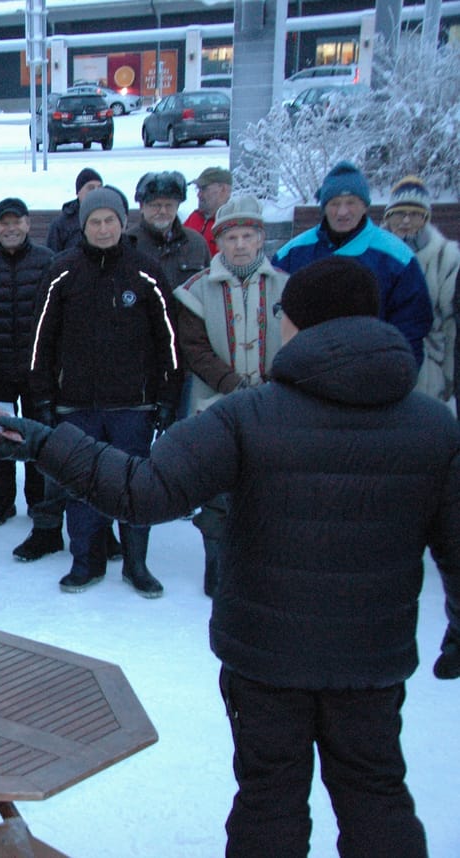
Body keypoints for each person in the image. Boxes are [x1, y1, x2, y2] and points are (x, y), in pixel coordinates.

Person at [0, 256, 460, 858]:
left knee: (269, 797)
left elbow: (142, 490)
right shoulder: (434, 426)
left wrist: (46, 442)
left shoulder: (249, 415)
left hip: (265, 655)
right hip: (372, 660)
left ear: (297, 324)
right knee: (377, 793)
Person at [27, 186, 180, 597]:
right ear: (83, 226)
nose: (103, 227)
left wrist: (168, 397)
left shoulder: (145, 271)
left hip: (135, 403)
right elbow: (41, 340)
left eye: (110, 220)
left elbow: (169, 340)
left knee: (135, 486)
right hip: (75, 404)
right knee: (81, 485)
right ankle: (86, 562)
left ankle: (136, 564)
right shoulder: (62, 271)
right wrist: (42, 398)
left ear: (123, 221)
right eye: (94, 221)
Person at [173, 195, 288, 596]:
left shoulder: (287, 287)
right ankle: (217, 570)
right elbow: (194, 348)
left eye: (247, 236)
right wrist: (233, 384)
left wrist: (274, 381)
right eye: (231, 237)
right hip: (215, 408)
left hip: (276, 407)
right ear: (217, 243)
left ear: (260, 240)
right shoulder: (194, 291)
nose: (239, 245)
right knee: (218, 494)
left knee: (267, 491)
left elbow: (296, 344)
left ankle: (261, 570)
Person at [272, 160, 432, 366]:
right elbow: (274, 314)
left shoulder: (397, 257)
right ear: (324, 207)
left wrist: (398, 376)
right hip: (308, 372)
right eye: (335, 203)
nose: (342, 212)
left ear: (364, 205)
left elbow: (412, 325)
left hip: (372, 373)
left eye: (351, 203)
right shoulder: (292, 253)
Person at [0, 198, 57, 544]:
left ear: (28, 223)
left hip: (37, 368)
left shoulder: (47, 261)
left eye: (16, 221)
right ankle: (1, 503)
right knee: (0, 438)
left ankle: (37, 500)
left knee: (36, 437)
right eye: (3, 223)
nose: (10, 228)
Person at [381, 175, 458, 402]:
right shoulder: (374, 252)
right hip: (380, 358)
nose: (406, 221)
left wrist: (449, 376)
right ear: (388, 217)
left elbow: (451, 325)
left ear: (426, 218)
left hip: (429, 367)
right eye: (399, 213)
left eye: (414, 214)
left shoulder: (447, 257)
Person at [126, 171, 210, 290]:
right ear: (141, 207)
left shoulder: (196, 243)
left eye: (169, 205)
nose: (163, 211)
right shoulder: (127, 243)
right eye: (156, 205)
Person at [45, 168, 103, 254]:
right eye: (91, 188)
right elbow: (52, 259)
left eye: (99, 188)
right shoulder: (62, 224)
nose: (96, 192)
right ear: (78, 192)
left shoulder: (109, 217)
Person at [184, 167, 233, 256]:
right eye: (198, 189)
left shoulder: (234, 223)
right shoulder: (194, 217)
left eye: (203, 189)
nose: (198, 195)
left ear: (223, 189)